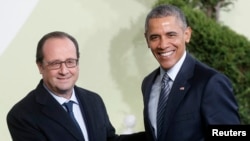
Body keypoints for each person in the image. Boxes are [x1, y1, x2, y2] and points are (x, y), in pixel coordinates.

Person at [6, 31, 145, 141]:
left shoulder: (93, 100)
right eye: (55, 63)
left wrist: (155, 134)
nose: (64, 71)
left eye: (70, 62)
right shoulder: (22, 115)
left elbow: (109, 139)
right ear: (40, 66)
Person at [142, 4, 241, 141]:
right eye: (155, 37)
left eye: (171, 35)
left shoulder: (210, 82)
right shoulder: (148, 83)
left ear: (187, 35)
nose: (163, 44)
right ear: (147, 39)